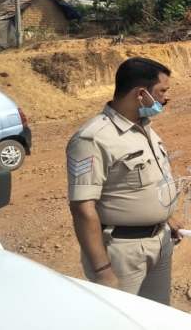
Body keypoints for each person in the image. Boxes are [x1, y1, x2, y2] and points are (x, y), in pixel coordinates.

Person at [66, 57, 184, 306]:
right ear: (141, 93)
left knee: (156, 316)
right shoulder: (93, 139)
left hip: (159, 241)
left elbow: (146, 183)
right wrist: (102, 270)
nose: (167, 97)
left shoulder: (143, 128)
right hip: (123, 251)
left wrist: (165, 217)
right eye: (162, 90)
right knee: (122, 319)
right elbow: (82, 208)